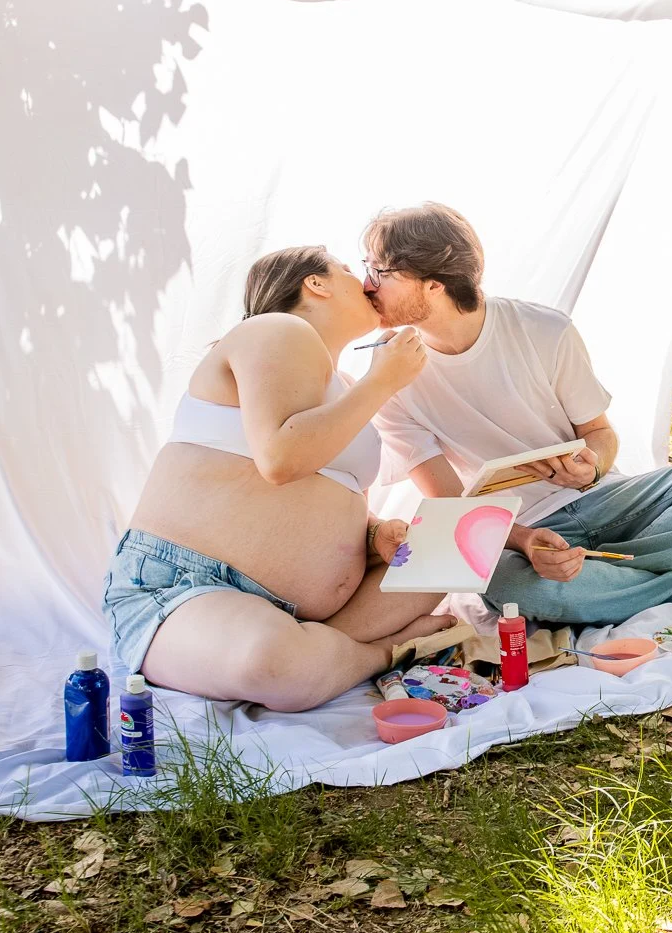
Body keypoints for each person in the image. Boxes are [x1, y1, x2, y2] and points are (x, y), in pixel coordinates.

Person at [360, 203, 672, 624]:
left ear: (433, 285)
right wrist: (524, 542)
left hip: (607, 501)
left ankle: (609, 583)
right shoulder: (390, 373)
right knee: (507, 587)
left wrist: (592, 468)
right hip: (515, 529)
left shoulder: (544, 330)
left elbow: (599, 433)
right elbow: (448, 503)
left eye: (380, 272)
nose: (366, 285)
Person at [102, 245, 461, 711]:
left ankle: (322, 648)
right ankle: (378, 653)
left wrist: (376, 534)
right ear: (317, 283)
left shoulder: (346, 388)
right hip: (187, 587)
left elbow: (332, 495)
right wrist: (384, 382)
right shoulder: (274, 330)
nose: (368, 281)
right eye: (351, 271)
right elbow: (280, 459)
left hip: (311, 609)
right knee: (271, 661)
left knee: (451, 549)